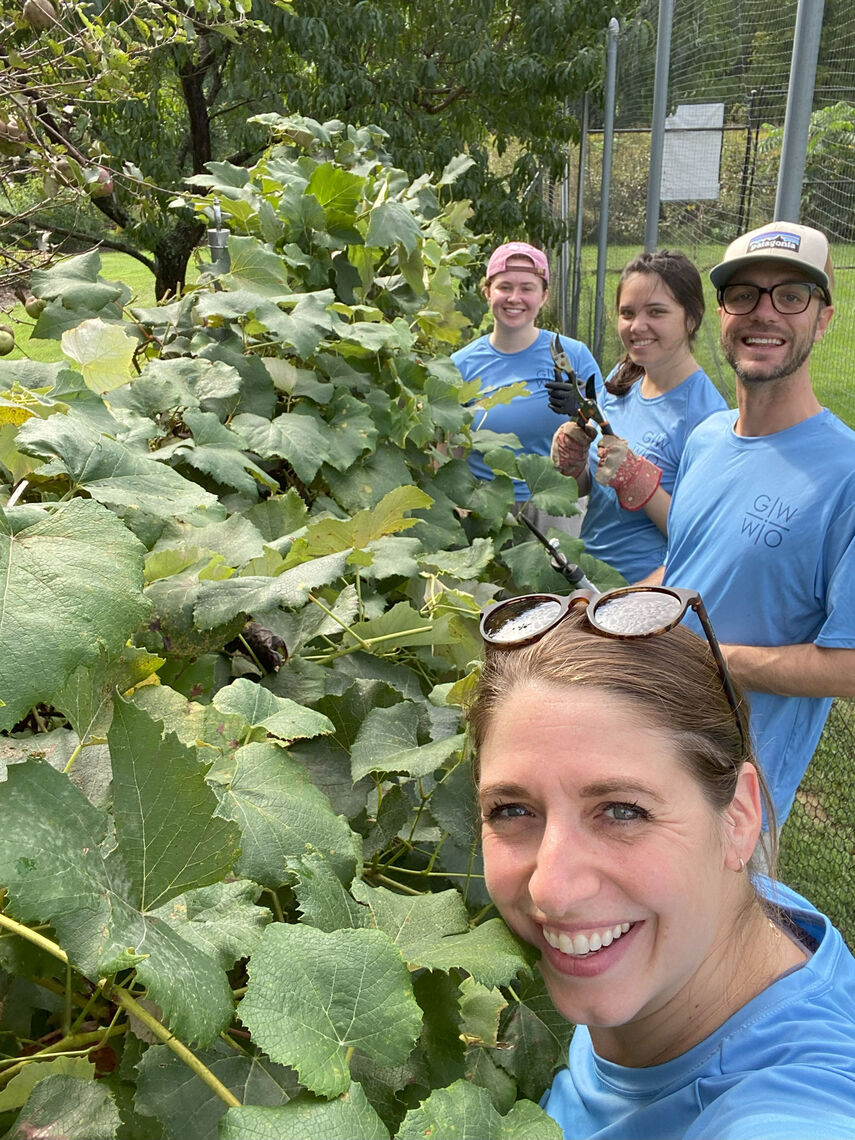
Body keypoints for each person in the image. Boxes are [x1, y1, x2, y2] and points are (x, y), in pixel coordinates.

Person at [470, 587, 855, 1139]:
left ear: (739, 817)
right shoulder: (744, 916)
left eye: (622, 811)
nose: (553, 890)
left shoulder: (792, 1110)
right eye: (511, 810)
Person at [644, 222, 855, 826]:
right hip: (653, 734)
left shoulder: (846, 476)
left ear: (823, 318)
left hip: (732, 794)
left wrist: (706, 655)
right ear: (721, 313)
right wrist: (622, 611)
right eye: (744, 295)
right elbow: (692, 563)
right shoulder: (707, 438)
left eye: (790, 295)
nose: (764, 313)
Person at [551, 250, 727, 581]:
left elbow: (702, 540)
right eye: (627, 313)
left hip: (645, 591)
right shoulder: (623, 378)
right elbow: (592, 487)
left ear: (692, 317)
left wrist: (639, 481)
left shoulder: (706, 417)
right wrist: (575, 466)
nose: (637, 326)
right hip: (590, 575)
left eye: (656, 312)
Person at [452, 241, 601, 525]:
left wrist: (582, 411)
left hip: (555, 503)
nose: (514, 298)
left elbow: (607, 426)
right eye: (504, 287)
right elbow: (451, 447)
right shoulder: (462, 364)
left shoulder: (574, 355)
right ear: (487, 292)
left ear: (544, 296)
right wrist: (459, 504)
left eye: (527, 288)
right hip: (485, 507)